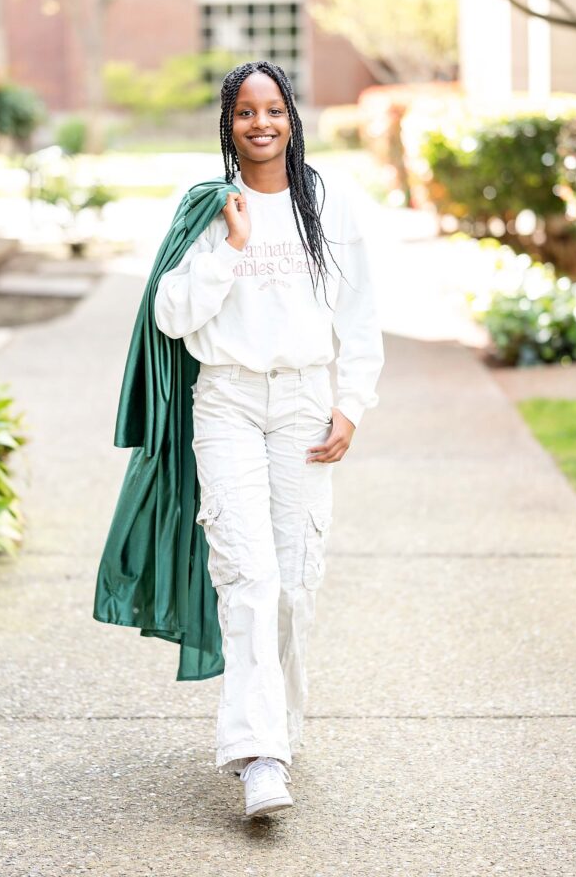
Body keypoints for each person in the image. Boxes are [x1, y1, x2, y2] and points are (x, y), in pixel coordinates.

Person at [153, 60, 384, 818]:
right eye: (245, 113)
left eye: (273, 110)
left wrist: (349, 404)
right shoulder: (207, 207)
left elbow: (358, 314)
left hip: (302, 406)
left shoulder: (329, 201)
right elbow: (170, 315)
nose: (260, 124)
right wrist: (230, 248)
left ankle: (278, 729)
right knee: (246, 574)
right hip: (225, 402)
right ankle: (259, 757)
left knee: (293, 580)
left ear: (292, 117)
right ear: (228, 124)